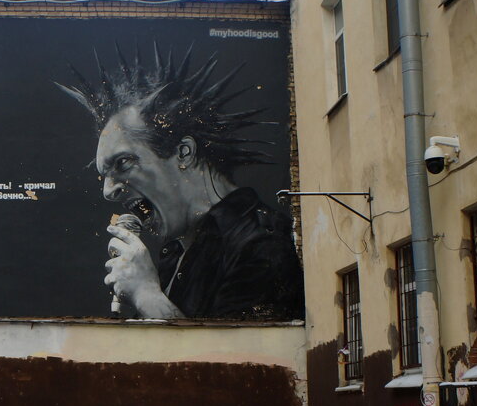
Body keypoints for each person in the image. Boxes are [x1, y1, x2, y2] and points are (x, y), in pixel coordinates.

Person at [58, 46, 304, 320]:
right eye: (104, 174)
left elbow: (236, 361)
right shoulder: (175, 252)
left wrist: (146, 295)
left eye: (123, 163)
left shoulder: (261, 242)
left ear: (183, 152)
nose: (108, 191)